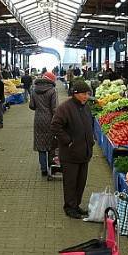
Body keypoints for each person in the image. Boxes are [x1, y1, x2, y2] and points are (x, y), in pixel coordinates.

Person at [51, 81, 94, 219]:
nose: (86, 96)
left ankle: (76, 205)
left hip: (84, 153)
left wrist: (90, 142)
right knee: (71, 183)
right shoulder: (65, 108)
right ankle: (69, 207)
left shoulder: (86, 107)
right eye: (83, 94)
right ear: (75, 94)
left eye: (87, 94)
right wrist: (68, 141)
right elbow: (55, 126)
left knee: (81, 183)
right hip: (70, 154)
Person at [30, 71, 58, 176]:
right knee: (51, 144)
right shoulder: (52, 91)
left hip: (38, 119)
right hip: (50, 119)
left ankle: (43, 169)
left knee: (40, 144)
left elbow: (31, 106)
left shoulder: (34, 90)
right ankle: (51, 166)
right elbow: (55, 108)